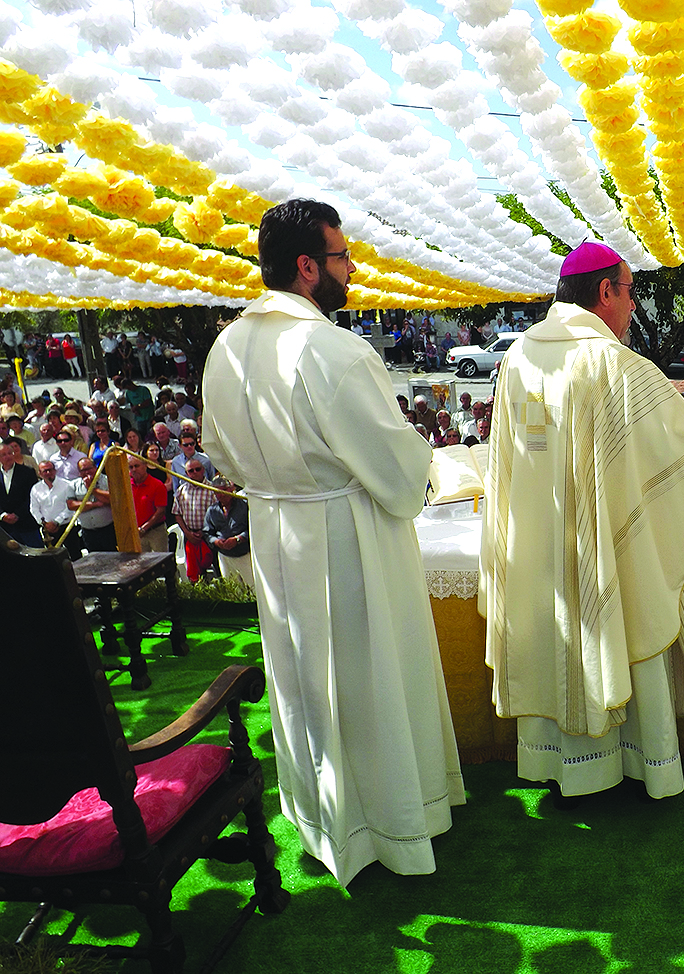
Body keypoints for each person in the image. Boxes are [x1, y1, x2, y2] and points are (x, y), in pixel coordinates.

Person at [201, 198, 463, 885]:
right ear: (308, 266)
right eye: (343, 257)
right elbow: (398, 470)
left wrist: (276, 479)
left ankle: (323, 815)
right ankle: (392, 824)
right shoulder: (333, 350)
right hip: (348, 538)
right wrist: (424, 470)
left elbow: (215, 448)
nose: (352, 271)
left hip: (276, 530)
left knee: (303, 681)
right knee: (366, 676)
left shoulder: (226, 346)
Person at [481, 240, 684, 802]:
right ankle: (632, 761)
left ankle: (551, 759)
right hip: (598, 550)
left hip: (536, 541)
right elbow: (681, 442)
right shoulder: (611, 361)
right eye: (629, 293)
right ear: (605, 292)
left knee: (547, 619)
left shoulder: (519, 355)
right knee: (628, 592)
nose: (631, 308)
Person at [173, 458, 217, 582]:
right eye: (191, 471)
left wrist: (205, 532)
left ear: (203, 470)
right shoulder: (181, 490)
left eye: (197, 469)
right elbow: (177, 513)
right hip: (190, 535)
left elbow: (217, 515)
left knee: (216, 567)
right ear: (187, 474)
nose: (194, 472)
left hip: (209, 535)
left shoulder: (213, 489)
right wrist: (187, 533)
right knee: (196, 574)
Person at [0, 437, 42, 547]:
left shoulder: (27, 472)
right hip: (4, 528)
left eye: (10, 453)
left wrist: (17, 514)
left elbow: (33, 496)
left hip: (26, 524)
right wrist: (3, 515)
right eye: (4, 455)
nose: (8, 456)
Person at [69, 455, 116, 552]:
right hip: (88, 533)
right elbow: (72, 505)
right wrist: (95, 504)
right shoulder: (74, 485)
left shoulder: (107, 480)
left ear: (95, 467)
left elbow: (113, 500)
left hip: (108, 531)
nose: (86, 472)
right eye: (83, 470)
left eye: (89, 468)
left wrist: (92, 489)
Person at [30, 459, 78, 551]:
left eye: (50, 470)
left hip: (66, 527)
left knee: (75, 555)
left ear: (55, 470)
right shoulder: (35, 489)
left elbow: (70, 507)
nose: (48, 473)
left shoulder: (67, 485)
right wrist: (44, 523)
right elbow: (34, 508)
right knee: (54, 559)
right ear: (40, 473)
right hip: (47, 530)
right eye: (45, 471)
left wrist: (56, 522)